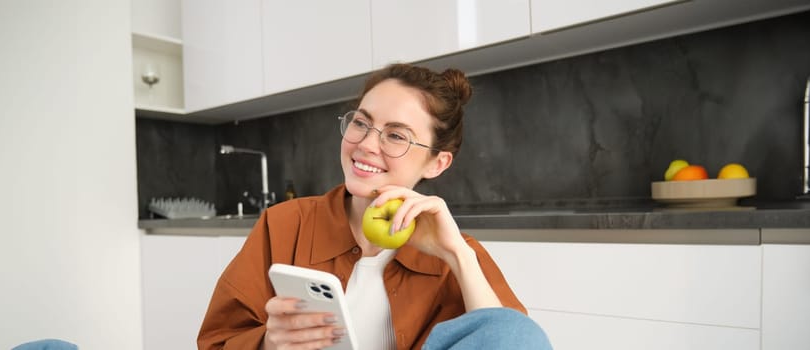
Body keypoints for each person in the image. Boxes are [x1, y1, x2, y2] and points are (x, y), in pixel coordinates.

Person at [197, 63, 551, 349]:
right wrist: (267, 345)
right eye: (361, 123)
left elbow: (511, 341)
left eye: (396, 135)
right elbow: (216, 342)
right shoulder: (285, 224)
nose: (366, 143)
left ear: (437, 163)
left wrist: (458, 255)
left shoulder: (457, 253)